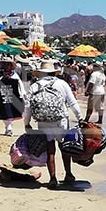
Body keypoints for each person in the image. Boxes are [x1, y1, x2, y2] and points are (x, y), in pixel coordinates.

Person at [29, 60, 83, 188]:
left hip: (43, 121)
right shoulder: (62, 84)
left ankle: (53, 178)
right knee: (64, 147)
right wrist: (80, 117)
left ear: (41, 73)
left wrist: (27, 123)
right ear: (54, 72)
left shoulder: (35, 86)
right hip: (61, 120)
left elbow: (28, 107)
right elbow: (72, 102)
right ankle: (68, 174)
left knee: (50, 149)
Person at [0, 57, 25, 136]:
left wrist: (22, 94)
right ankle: (8, 127)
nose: (6, 66)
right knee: (4, 111)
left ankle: (9, 128)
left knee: (10, 111)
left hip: (12, 95)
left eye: (8, 64)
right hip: (2, 94)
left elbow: (19, 84)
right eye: (4, 64)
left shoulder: (14, 74)